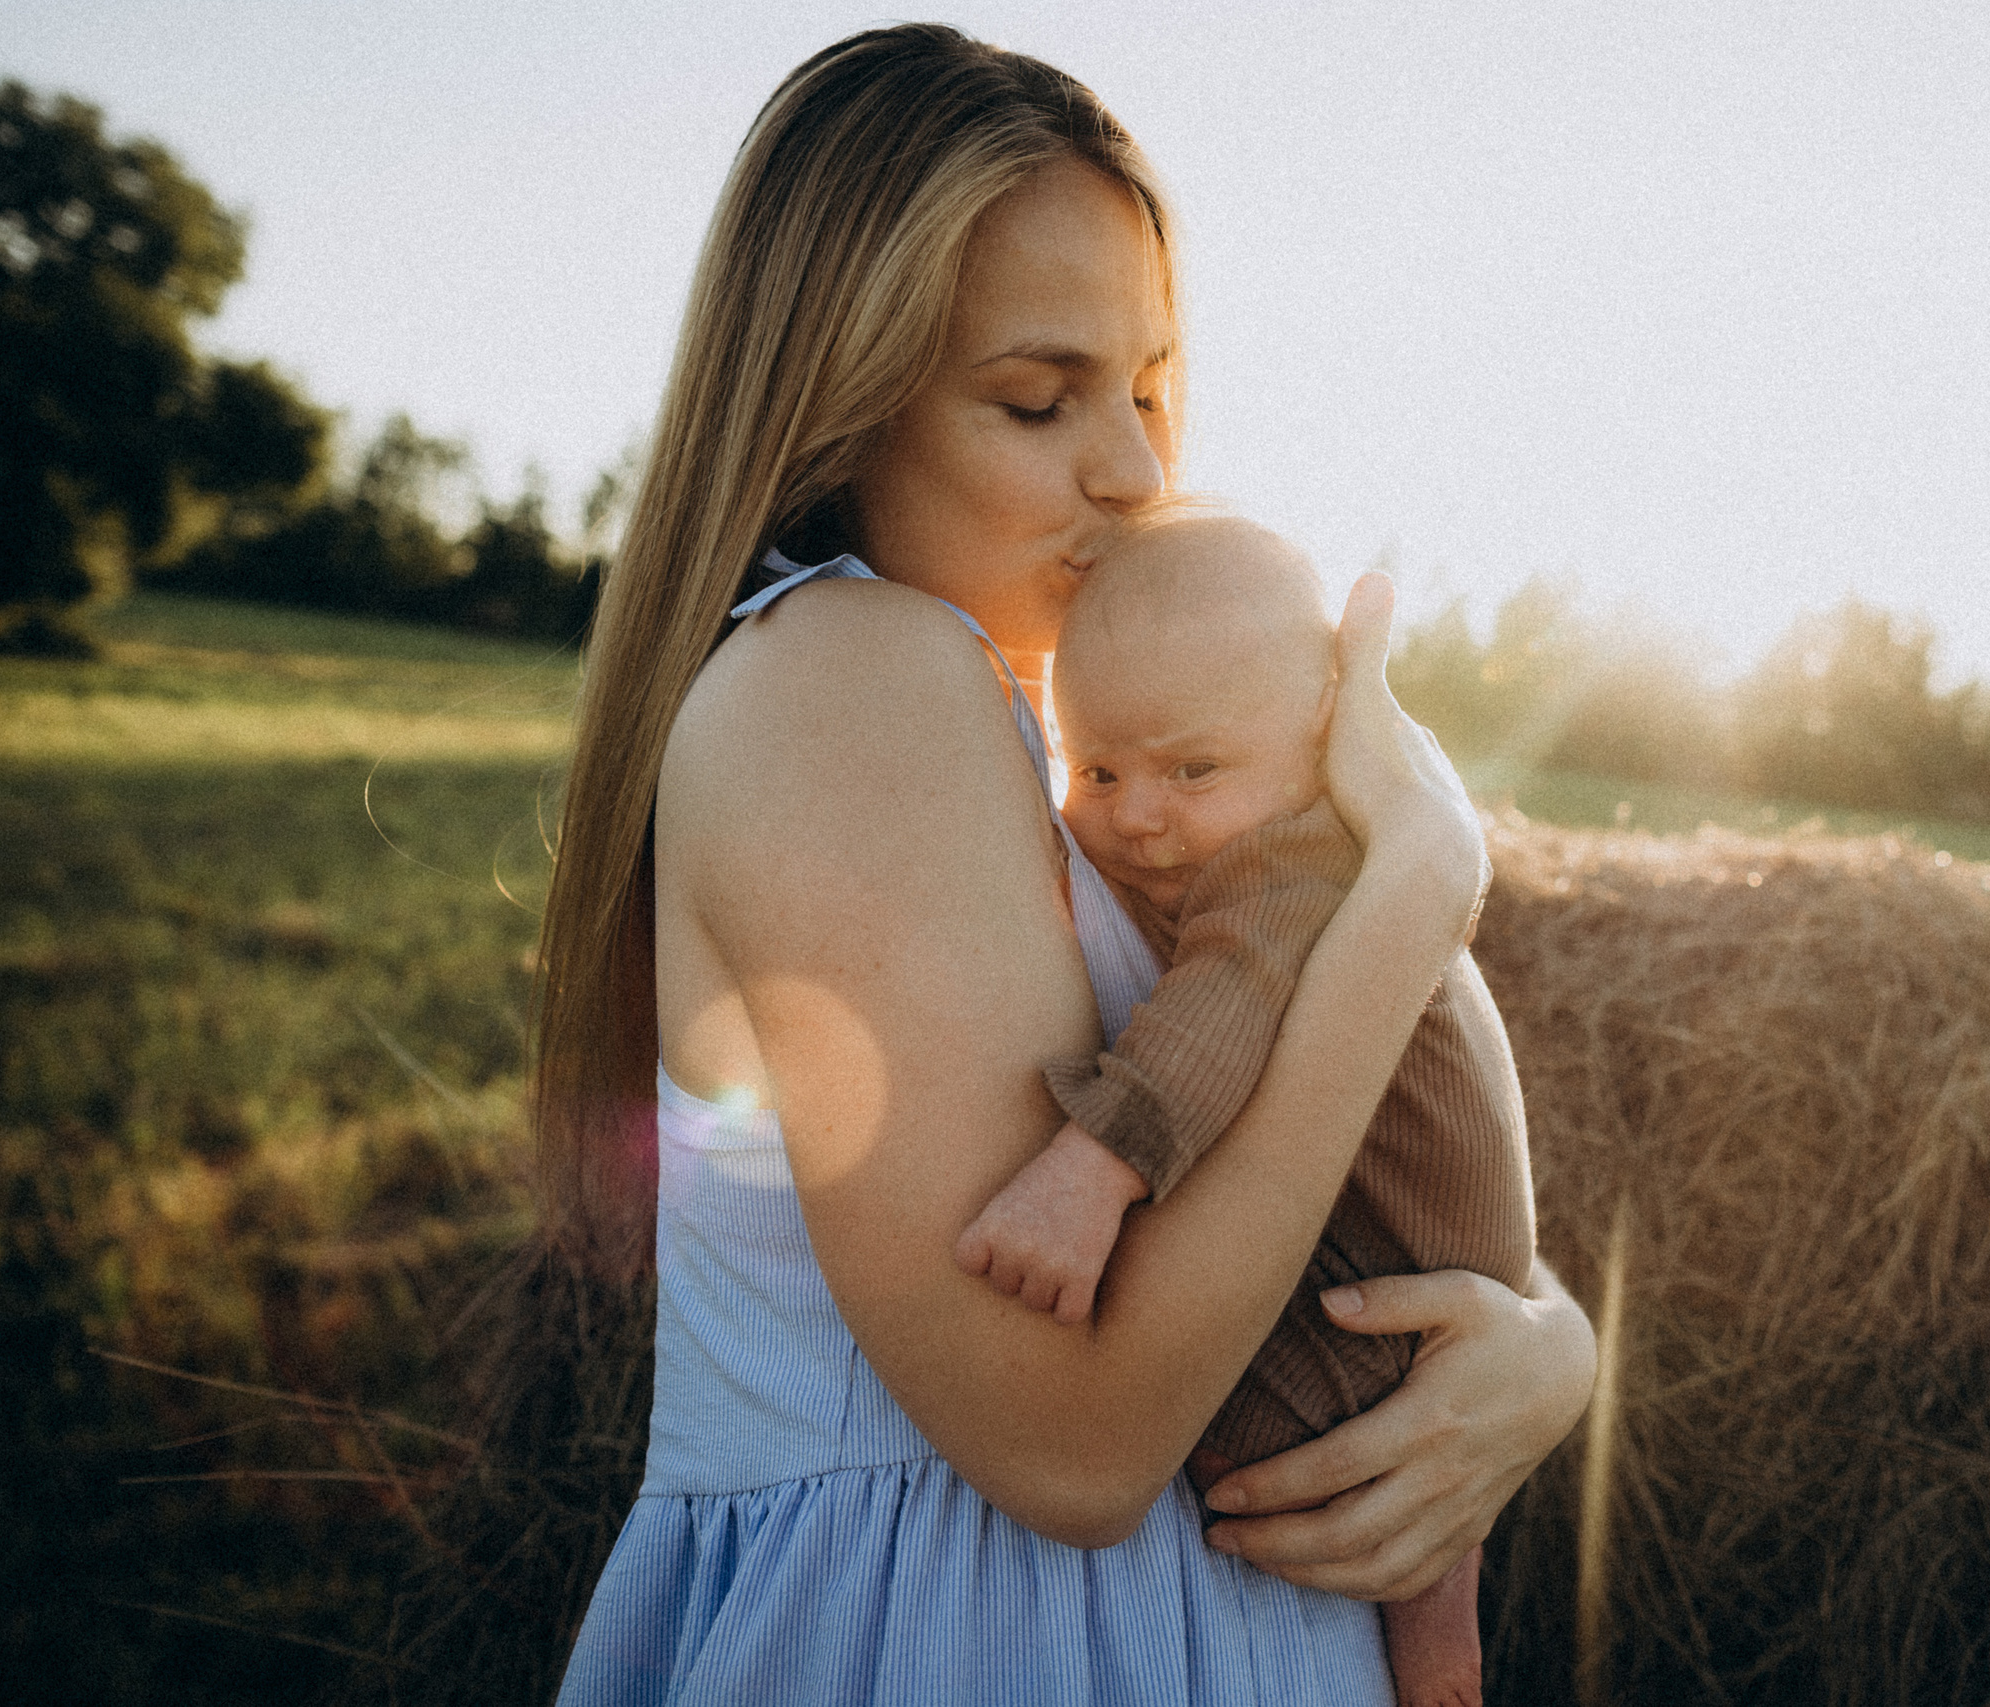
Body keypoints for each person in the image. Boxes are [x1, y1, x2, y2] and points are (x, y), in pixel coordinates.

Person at [535, 25, 1597, 1704]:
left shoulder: (1023, 743)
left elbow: (1303, 1180)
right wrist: (1416, 891)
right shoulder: (851, 672)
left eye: (1153, 386)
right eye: (1038, 399)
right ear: (835, 405)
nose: (1136, 468)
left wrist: (1545, 1347)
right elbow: (1077, 1442)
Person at [953, 511, 1536, 1707]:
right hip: (1422, 1252)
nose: (1138, 815)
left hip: (1390, 1267)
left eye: (1191, 770)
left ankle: (1428, 1639)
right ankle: (1438, 1642)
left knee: (1215, 1436)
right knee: (1425, 1543)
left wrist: (1089, 1170)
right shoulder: (1286, 828)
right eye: (1095, 770)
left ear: (1321, 729)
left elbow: (1217, 1013)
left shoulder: (1290, 866)